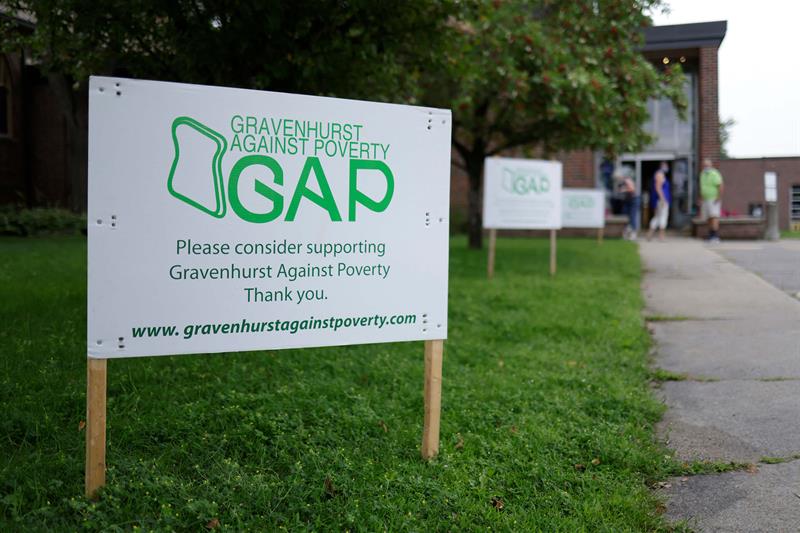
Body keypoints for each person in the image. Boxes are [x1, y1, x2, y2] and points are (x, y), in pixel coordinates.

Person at [699, 158, 724, 242]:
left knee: (714, 217)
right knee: (708, 218)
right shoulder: (702, 174)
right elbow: (702, 187)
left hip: (713, 199)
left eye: (707, 165)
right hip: (705, 199)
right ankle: (710, 235)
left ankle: (715, 236)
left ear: (711, 165)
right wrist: (701, 198)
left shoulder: (714, 173)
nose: (706, 166)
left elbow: (720, 185)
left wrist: (718, 197)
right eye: (704, 165)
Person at [647, 161, 671, 241]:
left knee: (657, 217)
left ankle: (649, 235)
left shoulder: (660, 174)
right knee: (662, 216)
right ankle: (661, 236)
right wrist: (663, 199)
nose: (667, 167)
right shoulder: (659, 174)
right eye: (665, 166)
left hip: (661, 199)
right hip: (661, 200)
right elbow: (658, 187)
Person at [616, 169, 638, 240]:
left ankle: (633, 234)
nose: (618, 179)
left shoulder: (627, 180)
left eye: (618, 177)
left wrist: (623, 190)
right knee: (625, 217)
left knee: (632, 217)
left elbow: (632, 189)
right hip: (626, 201)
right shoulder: (621, 183)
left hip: (632, 201)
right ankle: (626, 233)